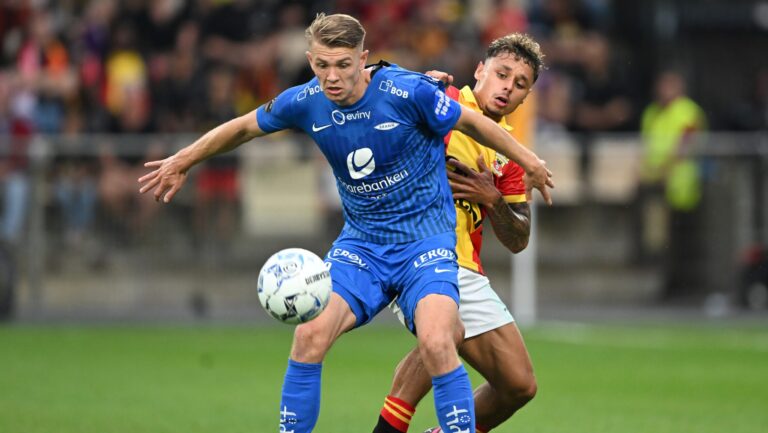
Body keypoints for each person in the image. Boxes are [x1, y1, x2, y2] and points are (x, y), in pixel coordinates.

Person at [138, 14, 553, 433]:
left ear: (363, 60)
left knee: (439, 341)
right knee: (308, 337)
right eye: (322, 66)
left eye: (343, 65)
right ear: (310, 61)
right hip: (363, 246)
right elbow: (244, 126)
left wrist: (529, 161)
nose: (331, 77)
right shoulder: (305, 101)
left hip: (425, 245)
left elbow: (472, 122)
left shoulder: (407, 91)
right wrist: (182, 160)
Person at [371, 33, 544, 433]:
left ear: (526, 96)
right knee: (445, 330)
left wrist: (494, 199)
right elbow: (375, 89)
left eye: (520, 84)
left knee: (519, 386)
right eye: (502, 74)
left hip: (466, 265)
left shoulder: (510, 157)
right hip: (417, 250)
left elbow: (519, 240)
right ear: (480, 71)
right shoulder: (443, 99)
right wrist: (412, 84)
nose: (507, 87)